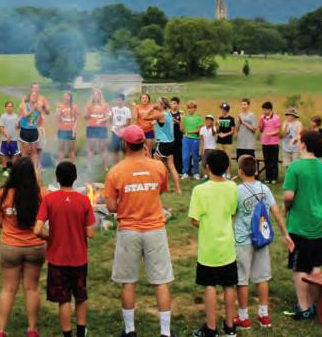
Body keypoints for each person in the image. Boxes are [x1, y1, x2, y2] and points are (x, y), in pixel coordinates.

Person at [103, 125, 175, 337]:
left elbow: (111, 207)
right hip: (155, 229)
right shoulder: (158, 166)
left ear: (124, 144)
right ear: (144, 144)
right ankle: (165, 332)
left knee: (128, 281)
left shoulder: (115, 171)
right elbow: (160, 190)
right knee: (161, 281)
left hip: (129, 230)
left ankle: (130, 331)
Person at [34, 161, 95, 337]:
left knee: (64, 299)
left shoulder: (49, 200)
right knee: (81, 297)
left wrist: (49, 237)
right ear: (75, 178)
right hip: (79, 258)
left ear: (57, 178)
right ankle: (81, 332)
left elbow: (37, 230)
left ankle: (67, 333)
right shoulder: (84, 200)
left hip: (57, 259)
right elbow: (90, 233)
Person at [233, 156, 292, 329]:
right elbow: (276, 212)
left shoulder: (237, 190)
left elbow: (231, 213)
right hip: (262, 237)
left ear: (240, 171)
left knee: (242, 278)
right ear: (257, 171)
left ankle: (243, 317)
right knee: (262, 277)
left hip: (242, 239)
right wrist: (285, 234)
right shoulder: (264, 188)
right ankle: (264, 315)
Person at [0, 157, 46, 336]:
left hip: (10, 247)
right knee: (31, 288)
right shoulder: (41, 194)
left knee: (8, 288)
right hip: (36, 246)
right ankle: (32, 329)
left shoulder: (3, 194)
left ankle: (0, 330)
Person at [187, 150, 238, 336]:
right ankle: (230, 326)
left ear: (207, 167)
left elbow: (194, 220)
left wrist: (207, 226)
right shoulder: (232, 186)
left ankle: (211, 328)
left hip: (209, 249)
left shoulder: (200, 190)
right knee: (229, 285)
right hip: (228, 247)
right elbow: (232, 212)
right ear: (226, 167)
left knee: (210, 286)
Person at [281, 131, 322, 321]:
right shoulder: (321, 166)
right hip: (321, 221)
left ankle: (304, 307)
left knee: (300, 266)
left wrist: (286, 207)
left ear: (303, 145)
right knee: (315, 264)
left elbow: (288, 195)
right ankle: (313, 303)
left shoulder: (296, 167)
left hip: (301, 224)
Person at [148, 97, 182, 194]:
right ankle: (178, 189)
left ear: (162, 105)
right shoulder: (169, 114)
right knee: (171, 166)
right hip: (171, 143)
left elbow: (145, 117)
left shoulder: (160, 114)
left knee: (157, 166)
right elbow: (173, 122)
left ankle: (159, 187)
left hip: (162, 143)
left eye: (157, 103)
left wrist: (152, 108)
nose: (156, 104)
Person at [85, 89, 111, 171]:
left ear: (100, 96)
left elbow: (108, 116)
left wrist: (102, 120)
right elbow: (86, 117)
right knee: (91, 148)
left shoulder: (105, 105)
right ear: (92, 96)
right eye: (94, 95)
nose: (96, 96)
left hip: (102, 128)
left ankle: (106, 166)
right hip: (91, 128)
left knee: (103, 148)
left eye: (97, 94)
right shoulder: (89, 105)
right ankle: (89, 167)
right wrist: (87, 115)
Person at [258, 102, 281, 184]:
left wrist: (270, 134)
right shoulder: (262, 117)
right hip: (265, 142)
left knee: (274, 161)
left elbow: (278, 131)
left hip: (274, 143)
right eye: (263, 110)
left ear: (270, 109)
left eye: (265, 110)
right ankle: (268, 177)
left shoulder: (276, 118)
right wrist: (261, 124)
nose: (264, 111)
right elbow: (261, 130)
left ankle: (274, 178)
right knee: (266, 160)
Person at [0, 101, 22, 177]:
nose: (10, 108)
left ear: (13, 107)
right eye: (8, 106)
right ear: (5, 107)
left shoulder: (16, 116)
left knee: (15, 155)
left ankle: (13, 170)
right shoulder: (3, 116)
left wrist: (19, 125)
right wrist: (7, 136)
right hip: (5, 139)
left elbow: (18, 127)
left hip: (14, 139)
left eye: (11, 106)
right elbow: (1, 127)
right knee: (4, 155)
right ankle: (4, 170)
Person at [181, 101, 204, 180]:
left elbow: (199, 130)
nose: (189, 110)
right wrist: (181, 119)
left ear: (195, 109)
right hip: (186, 139)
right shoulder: (185, 117)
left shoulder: (198, 118)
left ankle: (196, 173)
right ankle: (185, 173)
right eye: (188, 108)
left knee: (195, 157)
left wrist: (189, 132)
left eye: (191, 108)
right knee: (185, 157)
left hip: (195, 139)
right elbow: (181, 129)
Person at [109, 94, 132, 167]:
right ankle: (116, 166)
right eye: (117, 100)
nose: (118, 101)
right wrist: (110, 116)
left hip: (124, 133)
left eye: (120, 100)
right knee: (115, 150)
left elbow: (128, 122)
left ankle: (126, 165)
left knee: (125, 150)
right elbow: (110, 121)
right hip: (115, 132)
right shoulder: (113, 109)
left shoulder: (127, 110)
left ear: (123, 100)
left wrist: (120, 126)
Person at [57, 92, 79, 162]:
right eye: (65, 96)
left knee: (71, 150)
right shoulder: (61, 107)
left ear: (71, 98)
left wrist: (74, 130)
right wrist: (58, 112)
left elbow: (76, 120)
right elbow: (58, 119)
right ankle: (61, 165)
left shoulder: (74, 107)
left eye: (68, 96)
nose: (66, 98)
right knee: (61, 149)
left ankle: (72, 165)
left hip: (71, 130)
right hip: (62, 130)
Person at [170, 97, 184, 177]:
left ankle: (180, 170)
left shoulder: (180, 114)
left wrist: (176, 121)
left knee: (179, 153)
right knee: (171, 154)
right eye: (171, 103)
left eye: (174, 103)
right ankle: (172, 170)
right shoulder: (168, 114)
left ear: (178, 104)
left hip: (178, 136)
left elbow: (182, 127)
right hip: (170, 137)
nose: (173, 105)